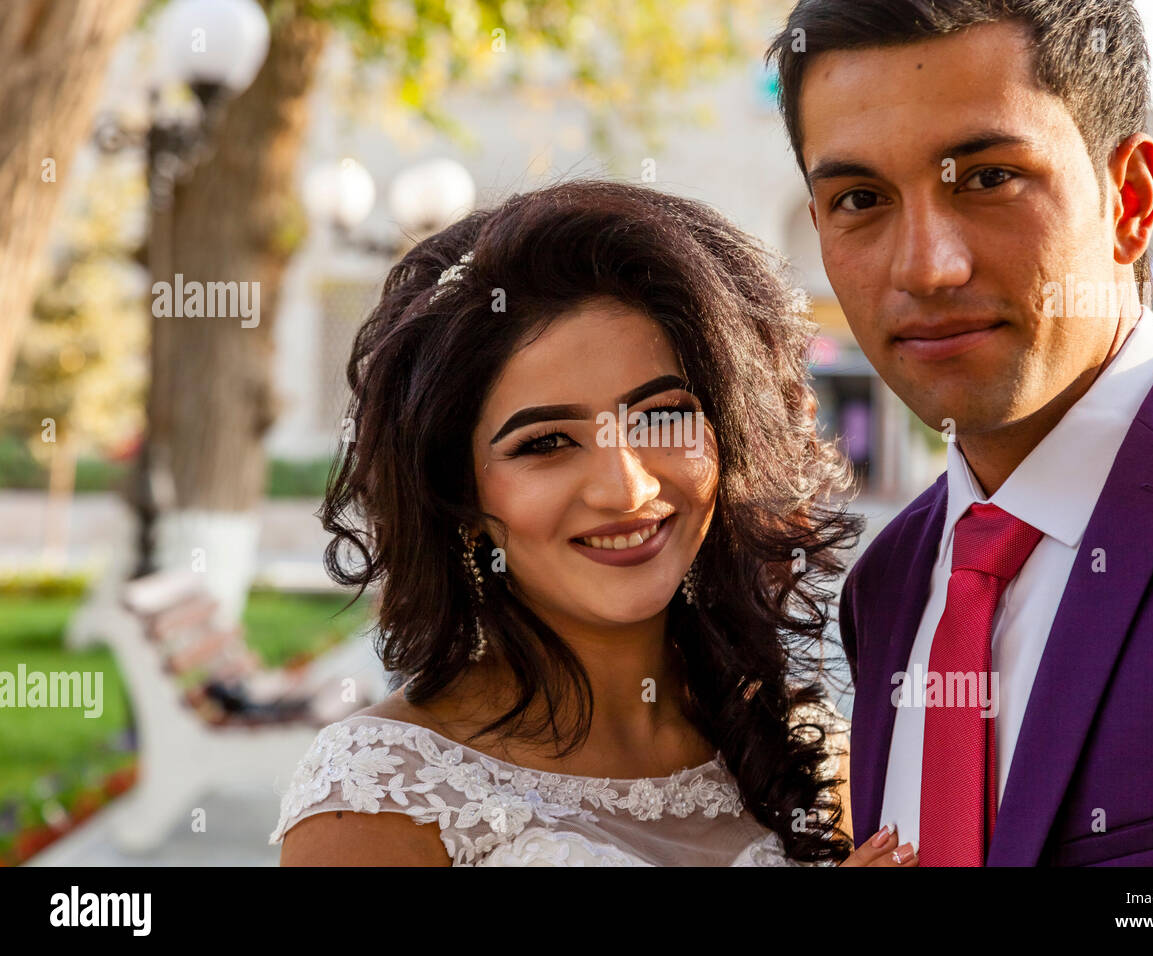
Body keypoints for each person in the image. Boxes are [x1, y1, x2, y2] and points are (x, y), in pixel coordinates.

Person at [767, 0, 1153, 865]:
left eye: (987, 179)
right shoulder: (887, 585)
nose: (927, 267)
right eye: (860, 198)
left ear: (1129, 200)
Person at [270, 179, 912, 866]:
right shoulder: (377, 795)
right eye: (546, 442)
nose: (625, 488)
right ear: (457, 495)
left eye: (662, 415)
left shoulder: (809, 753)